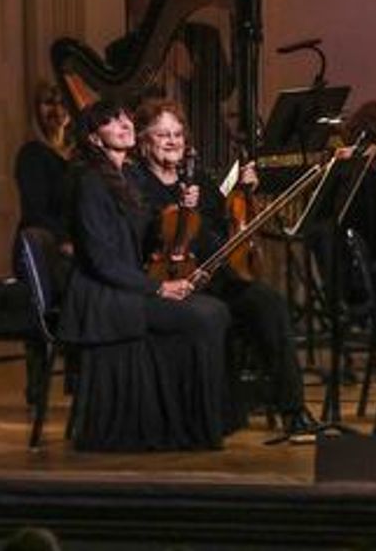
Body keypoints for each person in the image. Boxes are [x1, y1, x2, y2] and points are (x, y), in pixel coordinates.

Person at [128, 98, 312, 437]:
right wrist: (176, 209)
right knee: (215, 313)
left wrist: (244, 192)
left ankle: (294, 409)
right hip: (166, 281)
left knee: (267, 302)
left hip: (213, 276)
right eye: (163, 135)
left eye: (178, 134)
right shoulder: (135, 182)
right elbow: (143, 235)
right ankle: (221, 412)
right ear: (143, 141)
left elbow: (222, 227)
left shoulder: (198, 175)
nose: (172, 142)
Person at [58, 99, 228, 451]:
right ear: (94, 138)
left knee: (214, 310)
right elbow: (101, 261)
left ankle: (189, 423)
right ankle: (186, 428)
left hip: (126, 288)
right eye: (111, 123)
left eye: (124, 118)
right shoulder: (90, 182)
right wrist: (158, 288)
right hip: (102, 297)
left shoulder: (125, 179)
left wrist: (183, 210)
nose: (124, 125)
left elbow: (151, 237)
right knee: (205, 315)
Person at [14, 81, 74, 245]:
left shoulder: (80, 152)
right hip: (49, 246)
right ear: (36, 110)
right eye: (49, 103)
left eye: (63, 102)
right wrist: (66, 240)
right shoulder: (32, 155)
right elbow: (35, 213)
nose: (58, 110)